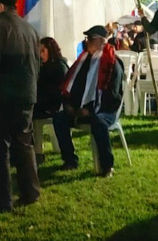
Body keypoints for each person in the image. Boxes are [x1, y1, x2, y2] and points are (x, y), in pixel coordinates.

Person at [0, 0, 41, 212]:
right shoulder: (29, 28)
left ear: (1, 7)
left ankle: (3, 199)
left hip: (3, 96)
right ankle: (30, 191)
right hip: (26, 94)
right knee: (24, 143)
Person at [53, 26, 125, 177]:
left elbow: (111, 95)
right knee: (59, 118)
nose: (87, 42)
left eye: (90, 39)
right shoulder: (83, 61)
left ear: (101, 42)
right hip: (81, 108)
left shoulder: (112, 63)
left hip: (105, 109)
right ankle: (70, 160)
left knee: (99, 121)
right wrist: (69, 105)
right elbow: (73, 85)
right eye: (87, 39)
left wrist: (91, 110)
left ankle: (107, 166)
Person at [33, 37, 68, 164]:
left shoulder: (59, 67)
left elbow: (57, 93)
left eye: (43, 51)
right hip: (44, 103)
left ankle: (37, 151)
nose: (40, 55)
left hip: (55, 106)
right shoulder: (44, 67)